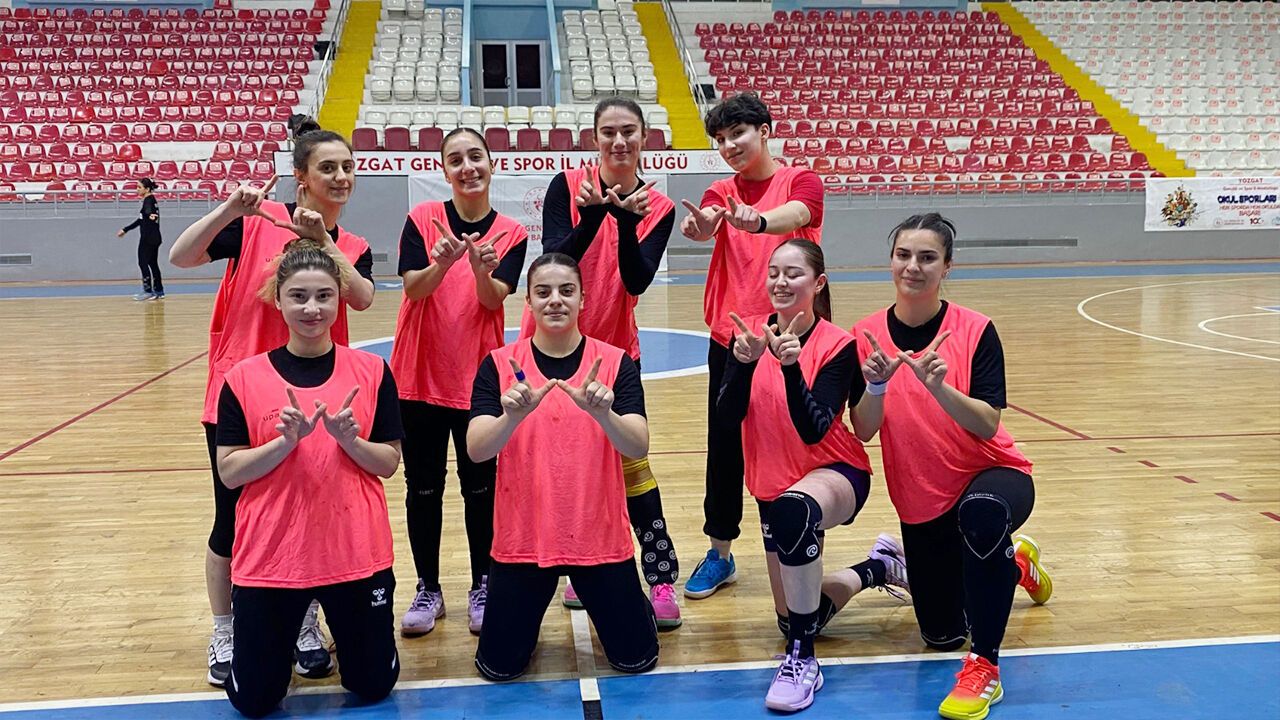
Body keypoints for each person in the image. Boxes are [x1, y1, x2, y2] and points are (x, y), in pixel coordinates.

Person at [169, 118, 377, 686]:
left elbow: (362, 298)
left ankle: (302, 619)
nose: (341, 177)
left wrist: (324, 240)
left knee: (305, 512)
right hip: (239, 396)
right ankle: (226, 627)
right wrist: (228, 210)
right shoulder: (255, 224)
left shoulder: (351, 247)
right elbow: (181, 256)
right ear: (301, 177)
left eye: (347, 167)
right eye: (327, 168)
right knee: (232, 519)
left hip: (315, 403)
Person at [844, 213, 1053, 720]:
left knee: (982, 515)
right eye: (903, 255)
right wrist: (876, 386)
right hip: (921, 495)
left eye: (927, 257)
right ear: (891, 261)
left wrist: (939, 388)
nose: (912, 267)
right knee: (940, 634)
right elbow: (864, 429)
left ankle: (985, 667)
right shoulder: (866, 335)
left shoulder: (976, 330)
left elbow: (987, 423)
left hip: (992, 472)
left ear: (947, 267)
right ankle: (1015, 563)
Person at [719, 239, 908, 712]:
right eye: (774, 273)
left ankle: (802, 660)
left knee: (794, 515)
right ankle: (879, 567)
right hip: (772, 482)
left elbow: (815, 428)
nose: (781, 282)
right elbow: (726, 418)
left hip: (835, 470)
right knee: (795, 615)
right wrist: (741, 364)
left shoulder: (837, 344)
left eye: (794, 273)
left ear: (818, 283)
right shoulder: (747, 336)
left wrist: (790, 369)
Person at [216, 238, 402, 718]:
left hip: (355, 553)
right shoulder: (243, 378)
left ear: (339, 300)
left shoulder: (373, 372)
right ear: (277, 301)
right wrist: (283, 444)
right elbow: (229, 472)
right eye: (298, 296)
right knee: (254, 701)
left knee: (373, 686)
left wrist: (350, 441)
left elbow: (388, 462)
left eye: (324, 296)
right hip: (273, 557)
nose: (312, 308)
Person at [528, 96, 681, 627]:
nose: (619, 141)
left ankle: (660, 578)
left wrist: (624, 222)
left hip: (615, 350)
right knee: (567, 464)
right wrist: (595, 216)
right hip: (552, 348)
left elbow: (636, 280)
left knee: (633, 465)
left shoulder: (659, 206)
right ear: (594, 138)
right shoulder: (567, 187)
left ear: (644, 137)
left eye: (629, 131)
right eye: (609, 132)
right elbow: (555, 261)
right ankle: (578, 563)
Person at [468, 253, 659, 680]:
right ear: (529, 302)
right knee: (499, 669)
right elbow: (477, 450)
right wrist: (511, 417)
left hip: (597, 535)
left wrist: (604, 414)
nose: (555, 300)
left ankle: (635, 603)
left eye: (566, 291)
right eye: (544, 292)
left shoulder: (615, 362)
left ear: (582, 299)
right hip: (523, 537)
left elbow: (637, 444)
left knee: (636, 661)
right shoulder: (499, 364)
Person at [679, 93, 825, 599]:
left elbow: (797, 213)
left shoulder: (801, 179)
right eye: (720, 140)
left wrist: (757, 221)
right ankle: (720, 553)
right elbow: (708, 219)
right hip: (733, 337)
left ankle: (795, 536)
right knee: (724, 447)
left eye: (737, 133)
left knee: (788, 441)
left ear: (764, 130)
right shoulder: (721, 190)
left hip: (789, 338)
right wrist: (701, 226)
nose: (728, 146)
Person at [390, 127, 528, 637]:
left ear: (491, 164)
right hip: (418, 376)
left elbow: (493, 300)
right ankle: (428, 587)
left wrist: (477, 269)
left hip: (478, 380)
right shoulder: (421, 219)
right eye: (456, 159)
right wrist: (443, 263)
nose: (467, 167)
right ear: (444, 170)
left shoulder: (511, 232)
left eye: (475, 157)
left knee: (480, 489)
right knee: (423, 488)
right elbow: (413, 289)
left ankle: (482, 584)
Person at [117, 177, 165, 300]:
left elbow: (149, 214)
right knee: (153, 264)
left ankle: (148, 291)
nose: (137, 190)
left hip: (148, 238)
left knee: (143, 263)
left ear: (147, 189)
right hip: (155, 237)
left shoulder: (148, 201)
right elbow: (141, 220)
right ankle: (159, 291)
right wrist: (126, 229)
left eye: (139, 187)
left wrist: (151, 215)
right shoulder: (152, 200)